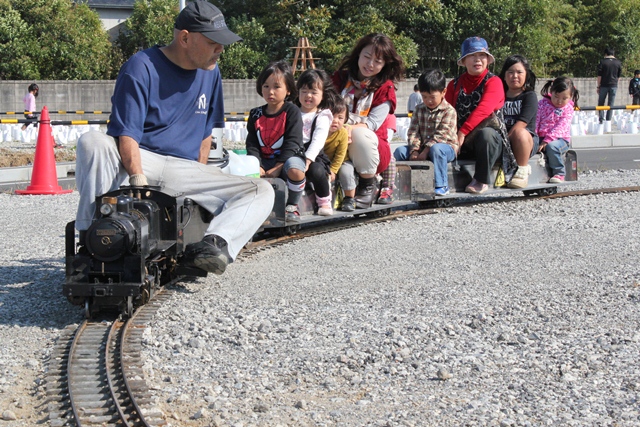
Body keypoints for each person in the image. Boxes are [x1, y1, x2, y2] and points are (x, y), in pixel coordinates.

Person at [74, 0, 275, 276]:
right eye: (214, 42)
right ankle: (90, 237)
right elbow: (127, 133)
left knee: (262, 191)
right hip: (144, 159)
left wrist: (202, 177)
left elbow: (207, 132)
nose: (221, 49)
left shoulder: (211, 72)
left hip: (183, 170)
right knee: (91, 141)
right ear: (184, 38)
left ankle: (214, 245)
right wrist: (137, 179)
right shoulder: (141, 66)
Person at [332, 33, 405, 208]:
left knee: (360, 133)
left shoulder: (385, 88)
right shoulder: (339, 79)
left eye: (378, 61)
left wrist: (347, 129)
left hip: (372, 148)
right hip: (336, 139)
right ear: (358, 54)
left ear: (385, 64)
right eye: (367, 57)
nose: (370, 64)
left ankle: (367, 185)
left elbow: (371, 124)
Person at [445, 36, 517, 194]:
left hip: (489, 143)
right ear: (464, 61)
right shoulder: (454, 84)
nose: (477, 60)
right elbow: (447, 112)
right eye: (472, 56)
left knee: (486, 135)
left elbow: (484, 110)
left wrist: (462, 132)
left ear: (488, 59)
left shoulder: (494, 81)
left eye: (482, 56)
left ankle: (481, 179)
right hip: (460, 140)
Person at [245, 61, 306, 222]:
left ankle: (292, 204)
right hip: (264, 160)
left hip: (288, 159)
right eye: (265, 86)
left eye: (276, 87)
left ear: (288, 90)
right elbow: (252, 142)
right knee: (244, 169)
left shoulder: (292, 111)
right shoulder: (255, 114)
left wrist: (278, 167)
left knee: (294, 168)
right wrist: (255, 164)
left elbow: (293, 142)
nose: (270, 91)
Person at [393, 68, 457, 196]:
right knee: (399, 152)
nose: (428, 101)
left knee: (437, 150)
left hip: (445, 148)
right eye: (424, 97)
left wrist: (426, 150)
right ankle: (398, 185)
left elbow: (442, 135)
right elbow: (413, 131)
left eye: (432, 97)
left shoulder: (449, 111)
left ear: (443, 92)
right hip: (421, 148)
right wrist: (415, 150)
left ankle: (441, 185)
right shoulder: (419, 109)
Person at [295, 69, 338, 216]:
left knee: (317, 171)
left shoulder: (322, 115)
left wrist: (307, 160)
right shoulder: (291, 112)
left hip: (313, 155)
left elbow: (318, 140)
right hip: (293, 151)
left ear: (323, 94)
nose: (308, 95)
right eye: (304, 91)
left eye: (313, 92)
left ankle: (324, 200)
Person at [498, 54, 539, 189]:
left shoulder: (529, 96)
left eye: (519, 72)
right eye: (510, 72)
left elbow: (522, 123)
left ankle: (521, 172)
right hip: (503, 139)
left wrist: (505, 142)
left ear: (526, 75)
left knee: (520, 132)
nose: (515, 76)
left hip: (525, 141)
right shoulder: (498, 95)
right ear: (504, 76)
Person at [536, 76, 580, 183]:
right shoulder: (542, 104)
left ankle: (559, 173)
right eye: (556, 97)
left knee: (552, 147)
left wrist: (547, 140)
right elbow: (536, 119)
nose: (559, 101)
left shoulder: (568, 109)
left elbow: (560, 127)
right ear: (551, 92)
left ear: (570, 97)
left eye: (564, 98)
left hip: (560, 139)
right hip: (541, 137)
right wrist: (534, 135)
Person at [324, 98, 350, 207]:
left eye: (340, 118)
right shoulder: (319, 129)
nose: (335, 120)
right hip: (322, 161)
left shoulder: (343, 133)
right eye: (332, 116)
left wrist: (334, 170)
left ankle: (350, 198)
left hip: (339, 161)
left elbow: (340, 154)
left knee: (346, 173)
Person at [597, 47, 622, 124]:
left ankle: (601, 120)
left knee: (601, 103)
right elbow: (618, 77)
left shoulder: (602, 62)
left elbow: (599, 76)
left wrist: (598, 86)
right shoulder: (618, 62)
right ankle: (608, 121)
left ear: (606, 54)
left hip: (604, 85)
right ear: (613, 54)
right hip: (613, 85)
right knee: (611, 104)